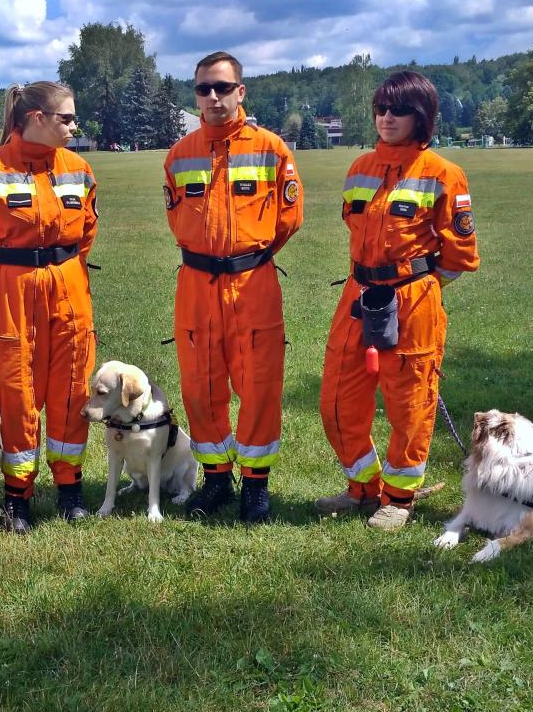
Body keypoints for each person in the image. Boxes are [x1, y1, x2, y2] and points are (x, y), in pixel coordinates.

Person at [315, 71, 480, 530]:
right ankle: (364, 487)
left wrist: (419, 288)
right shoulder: (360, 168)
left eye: (399, 110)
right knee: (336, 400)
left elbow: (460, 255)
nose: (386, 118)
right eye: (381, 109)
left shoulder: (444, 174)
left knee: (410, 403)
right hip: (358, 294)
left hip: (412, 300)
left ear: (421, 117)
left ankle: (400, 498)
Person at [162, 51, 304, 522]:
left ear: (241, 91)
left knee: (258, 383)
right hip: (196, 285)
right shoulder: (180, 155)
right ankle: (217, 478)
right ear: (195, 93)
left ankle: (256, 485)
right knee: (200, 384)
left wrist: (248, 255)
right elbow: (177, 218)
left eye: (223, 87)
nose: (214, 97)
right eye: (204, 88)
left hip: (252, 283)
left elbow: (289, 219)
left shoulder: (270, 149)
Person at [0, 81, 98, 532]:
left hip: (69, 287)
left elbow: (87, 231)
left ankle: (70, 487)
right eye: (67, 118)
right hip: (12, 291)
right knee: (16, 394)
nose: (75, 126)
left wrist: (61, 274)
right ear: (36, 118)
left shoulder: (79, 168)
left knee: (73, 388)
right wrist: (6, 279)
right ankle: (18, 496)